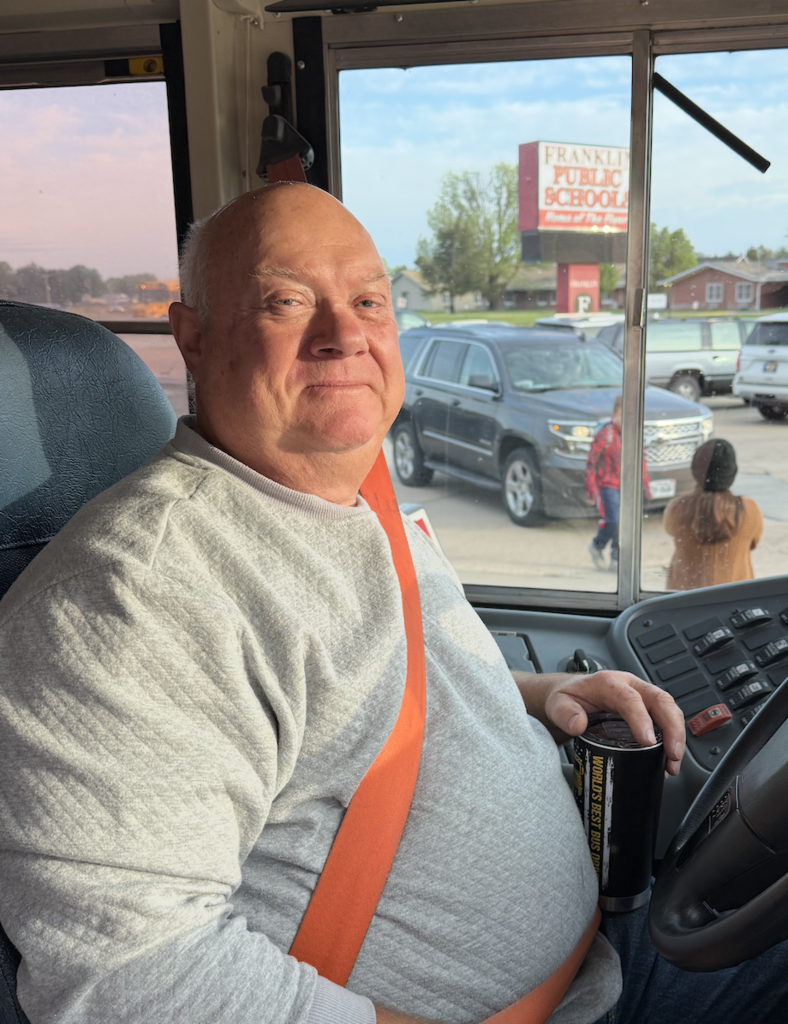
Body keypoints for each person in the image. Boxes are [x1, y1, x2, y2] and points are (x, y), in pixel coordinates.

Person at [0, 184, 782, 1024]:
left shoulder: (353, 494)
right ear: (193, 337)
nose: (344, 334)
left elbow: (371, 688)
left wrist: (536, 694)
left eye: (369, 301)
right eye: (286, 301)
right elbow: (131, 982)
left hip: (607, 949)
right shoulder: (130, 599)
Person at [664, 439, 763, 590]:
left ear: (694, 470)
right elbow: (753, 543)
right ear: (732, 472)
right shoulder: (749, 509)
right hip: (735, 596)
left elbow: (670, 530)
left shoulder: (677, 507)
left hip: (684, 596)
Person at [585, 396, 650, 570]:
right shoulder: (606, 434)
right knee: (613, 520)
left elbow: (641, 462)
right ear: (614, 415)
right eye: (623, 415)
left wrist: (645, 485)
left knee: (625, 523)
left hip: (628, 486)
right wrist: (591, 490)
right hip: (608, 485)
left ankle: (616, 558)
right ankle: (597, 545)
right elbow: (591, 462)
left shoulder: (635, 435)